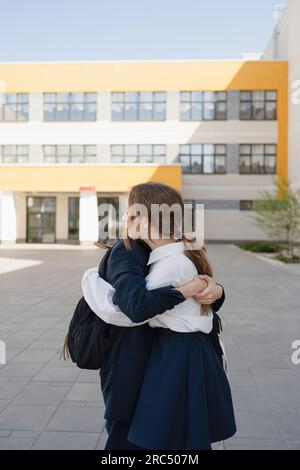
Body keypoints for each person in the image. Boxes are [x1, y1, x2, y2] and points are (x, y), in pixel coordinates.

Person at [82, 182, 234, 449]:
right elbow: (132, 306)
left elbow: (146, 306)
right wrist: (187, 290)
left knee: (163, 437)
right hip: (134, 361)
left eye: (132, 211)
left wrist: (216, 291)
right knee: (145, 438)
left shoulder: (170, 253)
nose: (126, 217)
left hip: (160, 357)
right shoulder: (130, 250)